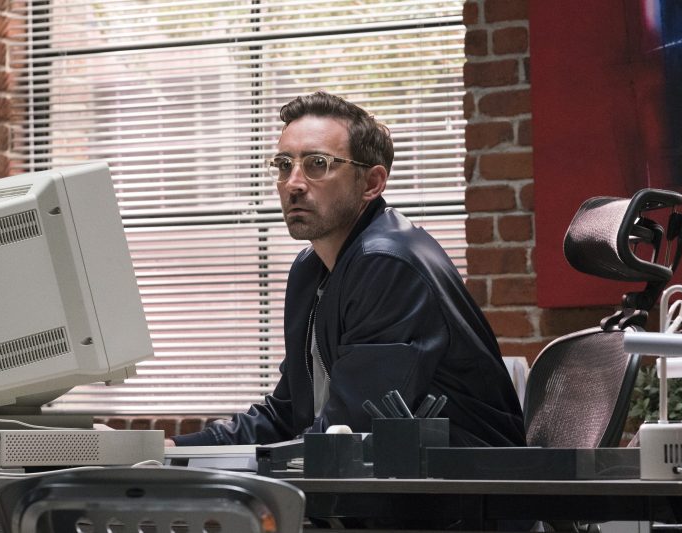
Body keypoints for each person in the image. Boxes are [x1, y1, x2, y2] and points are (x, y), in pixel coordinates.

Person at [169, 91, 526, 448]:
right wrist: (171, 451)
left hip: (459, 489)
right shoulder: (313, 268)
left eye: (317, 164)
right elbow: (286, 415)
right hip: (388, 484)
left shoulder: (387, 263)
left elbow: (349, 433)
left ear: (371, 183)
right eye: (283, 165)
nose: (292, 183)